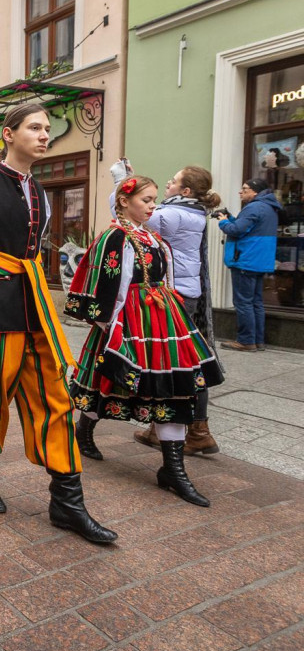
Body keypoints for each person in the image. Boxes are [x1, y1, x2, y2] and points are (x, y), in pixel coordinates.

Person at [0, 102, 116, 544]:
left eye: (47, 129)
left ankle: (67, 501)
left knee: (56, 398)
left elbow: (33, 248)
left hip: (33, 302)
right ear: (8, 133)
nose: (45, 136)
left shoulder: (38, 191)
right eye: (35, 128)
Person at [66, 176, 224, 506]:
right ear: (125, 202)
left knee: (176, 387)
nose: (153, 206)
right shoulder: (114, 237)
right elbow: (105, 283)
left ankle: (173, 469)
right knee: (109, 381)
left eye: (154, 199)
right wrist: (111, 326)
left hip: (162, 319)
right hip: (126, 320)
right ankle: (83, 433)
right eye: (147, 200)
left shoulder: (152, 238)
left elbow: (165, 278)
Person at [112, 167, 222, 457]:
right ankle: (169, 428)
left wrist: (124, 180)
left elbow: (125, 204)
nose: (168, 185)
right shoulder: (193, 211)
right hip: (186, 291)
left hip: (174, 294)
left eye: (173, 181)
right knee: (179, 358)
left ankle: (196, 429)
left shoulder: (172, 214)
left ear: (185, 191)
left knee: (177, 361)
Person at [217, 178, 280, 352]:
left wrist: (223, 221)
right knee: (256, 302)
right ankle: (257, 340)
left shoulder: (253, 207)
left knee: (243, 302)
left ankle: (246, 341)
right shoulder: (269, 207)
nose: (240, 192)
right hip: (260, 261)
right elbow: (247, 227)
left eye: (244, 189)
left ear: (255, 192)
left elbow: (235, 230)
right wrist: (230, 217)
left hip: (246, 260)